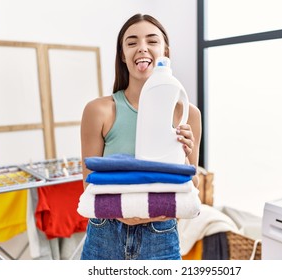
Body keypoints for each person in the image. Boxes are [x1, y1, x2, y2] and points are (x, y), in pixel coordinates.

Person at [79, 13, 202, 260]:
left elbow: (193, 184)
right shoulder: (100, 110)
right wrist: (121, 211)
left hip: (161, 236)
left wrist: (185, 156)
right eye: (132, 42)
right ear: (123, 55)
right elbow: (88, 183)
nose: (142, 48)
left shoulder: (187, 113)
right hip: (106, 233)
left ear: (165, 51)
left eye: (152, 41)